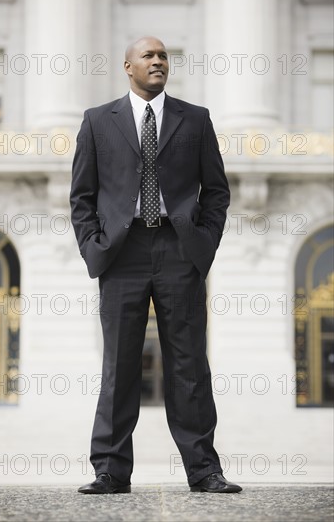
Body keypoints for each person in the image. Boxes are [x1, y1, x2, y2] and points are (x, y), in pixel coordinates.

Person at [70, 36, 242, 494]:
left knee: (188, 364)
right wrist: (93, 247)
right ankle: (110, 470)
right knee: (119, 364)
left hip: (178, 250)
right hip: (120, 254)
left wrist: (203, 244)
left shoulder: (196, 120)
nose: (158, 61)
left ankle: (204, 470)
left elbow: (217, 191)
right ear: (128, 66)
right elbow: (82, 197)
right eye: (148, 55)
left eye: (163, 55)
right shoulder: (96, 122)